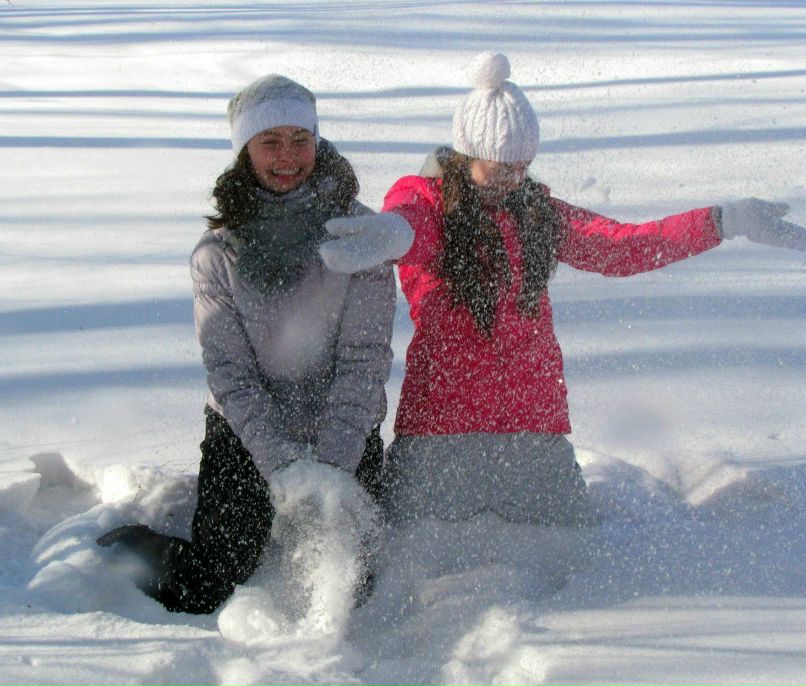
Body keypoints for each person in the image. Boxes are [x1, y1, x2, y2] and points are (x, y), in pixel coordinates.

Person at [379, 51, 806, 527]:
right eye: (501, 167)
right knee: (416, 555)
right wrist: (391, 234)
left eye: (523, 167)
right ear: (466, 154)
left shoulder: (537, 213)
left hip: (534, 431)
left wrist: (721, 222)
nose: (514, 179)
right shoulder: (429, 203)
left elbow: (622, 248)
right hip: (441, 432)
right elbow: (409, 227)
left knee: (569, 556)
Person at [97, 74, 413, 614]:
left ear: (318, 142)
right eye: (270, 141)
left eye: (300, 139)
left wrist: (332, 467)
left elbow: (364, 361)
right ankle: (129, 545)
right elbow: (230, 373)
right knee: (209, 583)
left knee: (356, 587)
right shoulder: (215, 254)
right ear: (245, 151)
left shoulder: (361, 238)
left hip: (342, 421)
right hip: (247, 427)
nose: (287, 155)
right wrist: (285, 466)